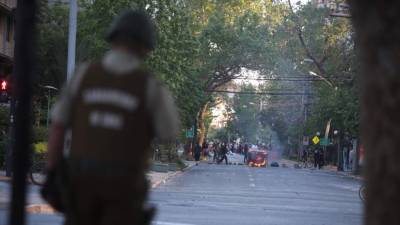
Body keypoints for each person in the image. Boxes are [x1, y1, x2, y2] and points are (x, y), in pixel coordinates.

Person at [43, 10, 179, 225]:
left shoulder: (83, 75)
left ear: (113, 37)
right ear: (146, 46)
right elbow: (169, 132)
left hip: (80, 185)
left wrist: (51, 173)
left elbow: (58, 127)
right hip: (124, 189)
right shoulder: (149, 86)